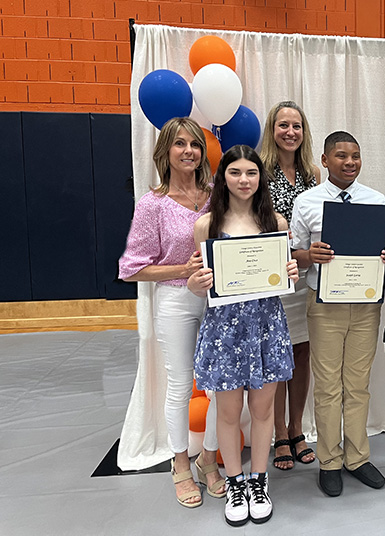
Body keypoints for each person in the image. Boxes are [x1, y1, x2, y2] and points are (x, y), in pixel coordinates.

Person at [188, 145, 299, 526]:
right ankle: (235, 482)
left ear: (260, 178)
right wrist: (195, 282)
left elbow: (283, 274)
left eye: (251, 173)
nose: (244, 180)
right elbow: (195, 281)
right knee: (229, 412)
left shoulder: (277, 224)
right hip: (226, 332)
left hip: (266, 327)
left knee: (264, 410)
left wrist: (290, 274)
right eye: (235, 172)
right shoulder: (206, 226)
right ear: (223, 177)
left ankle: (259, 479)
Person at [118, 117, 224, 508]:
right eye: (179, 144)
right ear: (166, 152)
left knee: (219, 386)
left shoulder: (218, 195)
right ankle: (180, 463)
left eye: (194, 144)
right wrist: (184, 269)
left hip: (217, 301)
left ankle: (208, 458)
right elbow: (131, 269)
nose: (188, 151)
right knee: (180, 385)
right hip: (177, 300)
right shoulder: (153, 204)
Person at [290, 131, 385, 497]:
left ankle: (357, 458)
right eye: (340, 155)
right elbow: (292, 254)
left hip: (366, 304)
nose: (349, 162)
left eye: (355, 155)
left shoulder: (376, 200)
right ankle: (330, 461)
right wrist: (309, 256)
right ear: (324, 160)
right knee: (328, 385)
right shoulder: (307, 202)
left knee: (357, 384)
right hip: (325, 304)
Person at [259, 101, 321, 471]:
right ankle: (279, 434)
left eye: (296, 126)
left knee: (302, 355)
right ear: (272, 129)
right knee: (278, 359)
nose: (290, 132)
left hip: (306, 277)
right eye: (283, 125)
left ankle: (298, 428)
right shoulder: (259, 171)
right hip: (272, 277)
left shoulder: (313, 174)